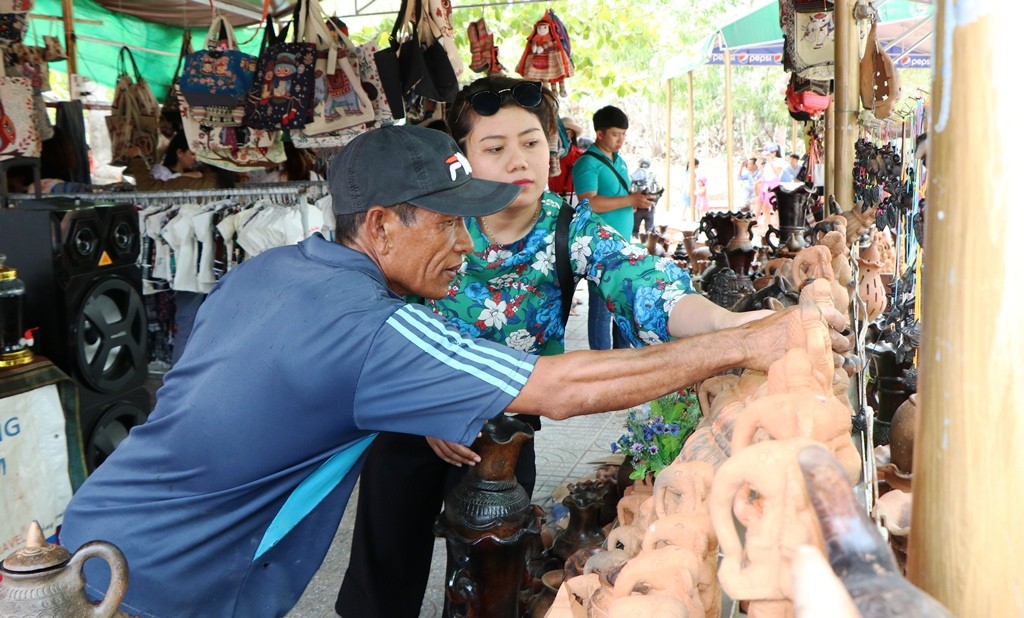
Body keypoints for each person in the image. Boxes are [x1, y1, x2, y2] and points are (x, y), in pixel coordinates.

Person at [57, 123, 847, 618]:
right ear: (378, 225)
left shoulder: (276, 270)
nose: (467, 245)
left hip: (92, 535)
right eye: (445, 223)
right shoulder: (371, 325)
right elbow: (560, 389)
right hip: (140, 588)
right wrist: (748, 345)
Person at [335, 77, 852, 618]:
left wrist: (736, 328)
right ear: (461, 159)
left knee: (490, 578)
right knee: (384, 572)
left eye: (532, 142)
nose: (519, 161)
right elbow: (387, 306)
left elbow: (647, 285)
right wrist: (429, 408)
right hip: (413, 416)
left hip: (505, 429)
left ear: (552, 145)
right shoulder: (437, 221)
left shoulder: (570, 227)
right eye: (494, 148)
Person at [572, 105, 655, 350]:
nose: (621, 140)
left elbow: (616, 197)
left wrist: (635, 200)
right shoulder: (587, 163)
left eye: (623, 134)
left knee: (621, 303)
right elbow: (590, 203)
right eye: (616, 134)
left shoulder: (619, 162)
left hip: (622, 243)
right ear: (600, 133)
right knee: (601, 309)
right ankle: (601, 363)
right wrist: (630, 200)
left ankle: (621, 358)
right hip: (600, 244)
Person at [124, 131, 220, 190]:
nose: (196, 158)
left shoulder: (199, 173)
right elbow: (156, 187)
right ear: (179, 153)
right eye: (192, 154)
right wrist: (183, 175)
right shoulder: (160, 171)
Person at [548, 115, 585, 202]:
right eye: (557, 132)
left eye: (564, 132)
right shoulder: (548, 156)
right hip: (552, 201)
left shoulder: (581, 157)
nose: (559, 136)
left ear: (571, 134)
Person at [630, 157, 660, 238]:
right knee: (649, 231)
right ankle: (649, 247)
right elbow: (659, 188)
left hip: (637, 205)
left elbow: (628, 188)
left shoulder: (633, 174)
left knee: (635, 230)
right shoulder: (653, 174)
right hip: (649, 204)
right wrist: (654, 202)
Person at [755, 143, 783, 228]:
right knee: (765, 206)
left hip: (774, 185)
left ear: (774, 152)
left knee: (775, 207)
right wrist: (759, 165)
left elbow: (777, 173)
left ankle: (778, 227)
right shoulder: (767, 162)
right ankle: (767, 227)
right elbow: (765, 173)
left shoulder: (779, 161)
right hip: (766, 185)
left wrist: (770, 161)